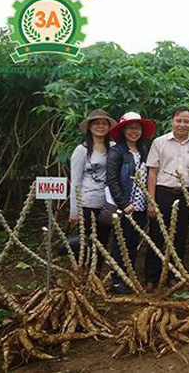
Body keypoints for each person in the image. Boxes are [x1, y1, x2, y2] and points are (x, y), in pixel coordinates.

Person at [144, 106, 189, 291]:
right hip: (163, 193)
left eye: (186, 121)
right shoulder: (159, 143)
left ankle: (173, 276)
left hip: (185, 195)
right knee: (157, 235)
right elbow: (152, 173)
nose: (182, 124)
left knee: (180, 236)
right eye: (179, 120)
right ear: (172, 121)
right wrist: (151, 200)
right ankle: (151, 277)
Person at [106, 112, 156, 294]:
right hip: (125, 207)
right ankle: (118, 279)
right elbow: (112, 180)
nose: (134, 131)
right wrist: (123, 203)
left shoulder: (144, 150)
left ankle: (129, 276)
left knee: (133, 243)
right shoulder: (117, 152)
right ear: (123, 130)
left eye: (137, 128)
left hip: (141, 206)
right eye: (130, 127)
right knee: (121, 242)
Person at [69, 109, 116, 267]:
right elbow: (75, 182)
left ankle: (96, 277)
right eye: (97, 123)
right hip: (87, 203)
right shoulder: (81, 150)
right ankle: (82, 277)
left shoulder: (114, 148)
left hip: (108, 205)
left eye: (104, 124)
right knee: (85, 243)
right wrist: (74, 211)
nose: (101, 127)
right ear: (90, 127)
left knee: (102, 243)